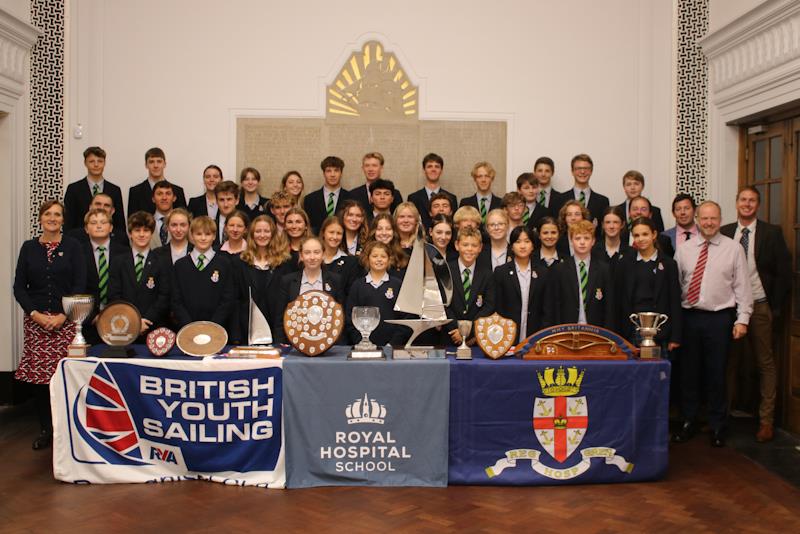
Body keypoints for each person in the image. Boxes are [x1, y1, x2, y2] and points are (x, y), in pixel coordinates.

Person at [673, 201, 753, 448]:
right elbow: (676, 287)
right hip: (689, 317)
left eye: (713, 219)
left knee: (717, 373)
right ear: (697, 219)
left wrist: (743, 319)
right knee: (689, 373)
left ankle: (718, 424)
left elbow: (743, 287)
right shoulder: (684, 249)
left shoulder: (733, 249)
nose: (709, 223)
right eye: (704, 218)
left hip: (719, 318)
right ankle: (689, 420)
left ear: (720, 220)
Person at [721, 186, 791, 443]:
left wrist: (775, 309)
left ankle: (766, 421)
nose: (747, 204)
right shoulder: (726, 232)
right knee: (729, 363)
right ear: (736, 203)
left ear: (757, 205)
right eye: (743, 200)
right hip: (731, 308)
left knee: (765, 363)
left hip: (760, 306)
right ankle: (722, 418)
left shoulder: (772, 233)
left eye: (752, 201)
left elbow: (784, 273)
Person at [13, 200, 86, 450]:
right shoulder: (28, 248)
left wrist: (64, 316)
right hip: (37, 324)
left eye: (57, 214)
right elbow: (19, 287)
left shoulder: (73, 246)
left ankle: (67, 429)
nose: (53, 218)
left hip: (64, 323)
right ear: (40, 218)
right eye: (48, 214)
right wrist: (34, 314)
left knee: (64, 377)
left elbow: (79, 284)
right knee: (40, 381)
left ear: (63, 220)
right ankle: (46, 429)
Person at [615, 217, 682, 350]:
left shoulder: (669, 264)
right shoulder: (624, 263)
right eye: (636, 235)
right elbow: (618, 301)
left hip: (661, 330)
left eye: (645, 234)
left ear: (654, 234)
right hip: (632, 329)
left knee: (657, 369)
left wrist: (675, 337)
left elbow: (674, 300)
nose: (641, 239)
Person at [108, 211, 170, 341]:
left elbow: (164, 296)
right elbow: (114, 295)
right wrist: (133, 321)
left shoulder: (162, 261)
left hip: (152, 328)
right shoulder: (118, 261)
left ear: (151, 233)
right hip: (124, 326)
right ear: (130, 233)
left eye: (146, 230)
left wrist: (146, 320)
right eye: (137, 230)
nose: (142, 234)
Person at [171, 216, 236, 338]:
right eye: (199, 234)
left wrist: (213, 326)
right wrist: (189, 326)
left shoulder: (224, 263)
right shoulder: (180, 265)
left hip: (217, 331)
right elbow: (176, 300)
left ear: (214, 236)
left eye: (207, 234)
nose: (203, 238)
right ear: (191, 236)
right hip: (187, 331)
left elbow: (227, 299)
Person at [544, 220, 615, 330]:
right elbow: (555, 305)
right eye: (577, 238)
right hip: (567, 329)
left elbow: (610, 306)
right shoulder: (560, 269)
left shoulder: (603, 269)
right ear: (571, 241)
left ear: (593, 241)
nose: (582, 242)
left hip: (596, 330)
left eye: (586, 238)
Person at [274, 236, 346, 344]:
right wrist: (281, 346)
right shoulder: (287, 281)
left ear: (323, 255)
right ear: (301, 256)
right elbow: (280, 320)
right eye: (307, 253)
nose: (312, 257)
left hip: (329, 345)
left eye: (316, 252)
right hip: (294, 345)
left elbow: (340, 317)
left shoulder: (335, 280)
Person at [235, 214, 292, 342]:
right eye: (258, 231)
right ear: (252, 234)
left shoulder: (284, 263)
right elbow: (236, 300)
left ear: (272, 234)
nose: (262, 235)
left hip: (277, 328)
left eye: (266, 231)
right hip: (248, 330)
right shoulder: (240, 262)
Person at [79, 207, 130, 344]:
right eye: (93, 223)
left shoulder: (125, 253)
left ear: (111, 227)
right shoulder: (78, 253)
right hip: (88, 322)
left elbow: (128, 286)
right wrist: (93, 317)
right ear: (86, 229)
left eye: (103, 222)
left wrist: (118, 313)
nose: (99, 226)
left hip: (121, 319)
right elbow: (77, 288)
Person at [345, 240, 409, 347]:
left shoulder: (398, 285)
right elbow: (350, 318)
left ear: (389, 260)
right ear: (367, 258)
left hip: (392, 347)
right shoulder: (358, 285)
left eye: (383, 256)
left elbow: (406, 318)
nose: (379, 259)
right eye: (374, 256)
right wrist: (361, 342)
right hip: (364, 347)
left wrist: (393, 343)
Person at [492, 225, 547, 343]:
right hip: (507, 336)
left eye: (527, 241)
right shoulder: (501, 272)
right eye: (518, 242)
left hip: (536, 336)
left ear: (532, 245)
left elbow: (546, 308)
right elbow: (497, 307)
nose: (522, 246)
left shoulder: (543, 272)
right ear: (511, 246)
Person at [445, 226, 494, 346]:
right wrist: (457, 330)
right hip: (450, 336)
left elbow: (489, 306)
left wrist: (469, 330)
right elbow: (443, 304)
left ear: (480, 248)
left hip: (476, 339)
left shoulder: (487, 274)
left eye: (474, 245)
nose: (470, 249)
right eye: (465, 245)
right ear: (457, 245)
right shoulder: (446, 271)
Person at [63, 146, 126, 236]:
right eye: (91, 161)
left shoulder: (114, 190)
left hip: (108, 240)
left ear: (104, 163)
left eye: (100, 161)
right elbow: (68, 221)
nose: (96, 165)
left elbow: (119, 222)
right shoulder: (73, 189)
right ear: (85, 163)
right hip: (79, 240)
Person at [127, 147, 187, 215]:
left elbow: (184, 219)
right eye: (151, 162)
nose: (155, 165)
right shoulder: (135, 192)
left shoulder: (177, 191)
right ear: (146, 165)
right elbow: (132, 222)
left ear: (164, 164)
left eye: (159, 161)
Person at [559, 153, 609, 231]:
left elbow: (603, 231)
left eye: (586, 168)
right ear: (572, 171)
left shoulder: (603, 201)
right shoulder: (559, 199)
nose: (582, 172)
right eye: (578, 168)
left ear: (591, 171)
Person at [408, 153, 457, 230]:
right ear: (424, 170)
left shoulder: (452, 198)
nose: (433, 169)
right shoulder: (413, 198)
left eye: (437, 166)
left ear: (441, 170)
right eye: (429, 166)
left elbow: (454, 224)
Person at [64, 192, 129, 249]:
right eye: (98, 204)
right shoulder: (74, 237)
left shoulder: (121, 238)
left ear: (112, 211)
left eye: (107, 205)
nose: (102, 208)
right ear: (90, 207)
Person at [303, 156, 350, 234]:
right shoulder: (310, 199)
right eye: (328, 171)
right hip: (317, 243)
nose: (332, 174)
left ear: (341, 173)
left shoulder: (351, 198)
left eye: (336, 170)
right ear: (324, 173)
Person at [320, 215, 360, 299]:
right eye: (331, 232)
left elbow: (351, 294)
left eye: (339, 233)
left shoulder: (351, 262)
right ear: (323, 233)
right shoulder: (313, 259)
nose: (335, 237)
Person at [149, 180, 178, 249]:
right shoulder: (145, 224)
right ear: (153, 199)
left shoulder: (185, 224)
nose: (164, 198)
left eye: (168, 193)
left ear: (174, 198)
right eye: (159, 194)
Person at [213, 180, 242, 247]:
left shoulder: (246, 225)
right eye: (221, 200)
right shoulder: (210, 225)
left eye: (229, 199)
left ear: (237, 200)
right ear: (216, 202)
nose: (225, 204)